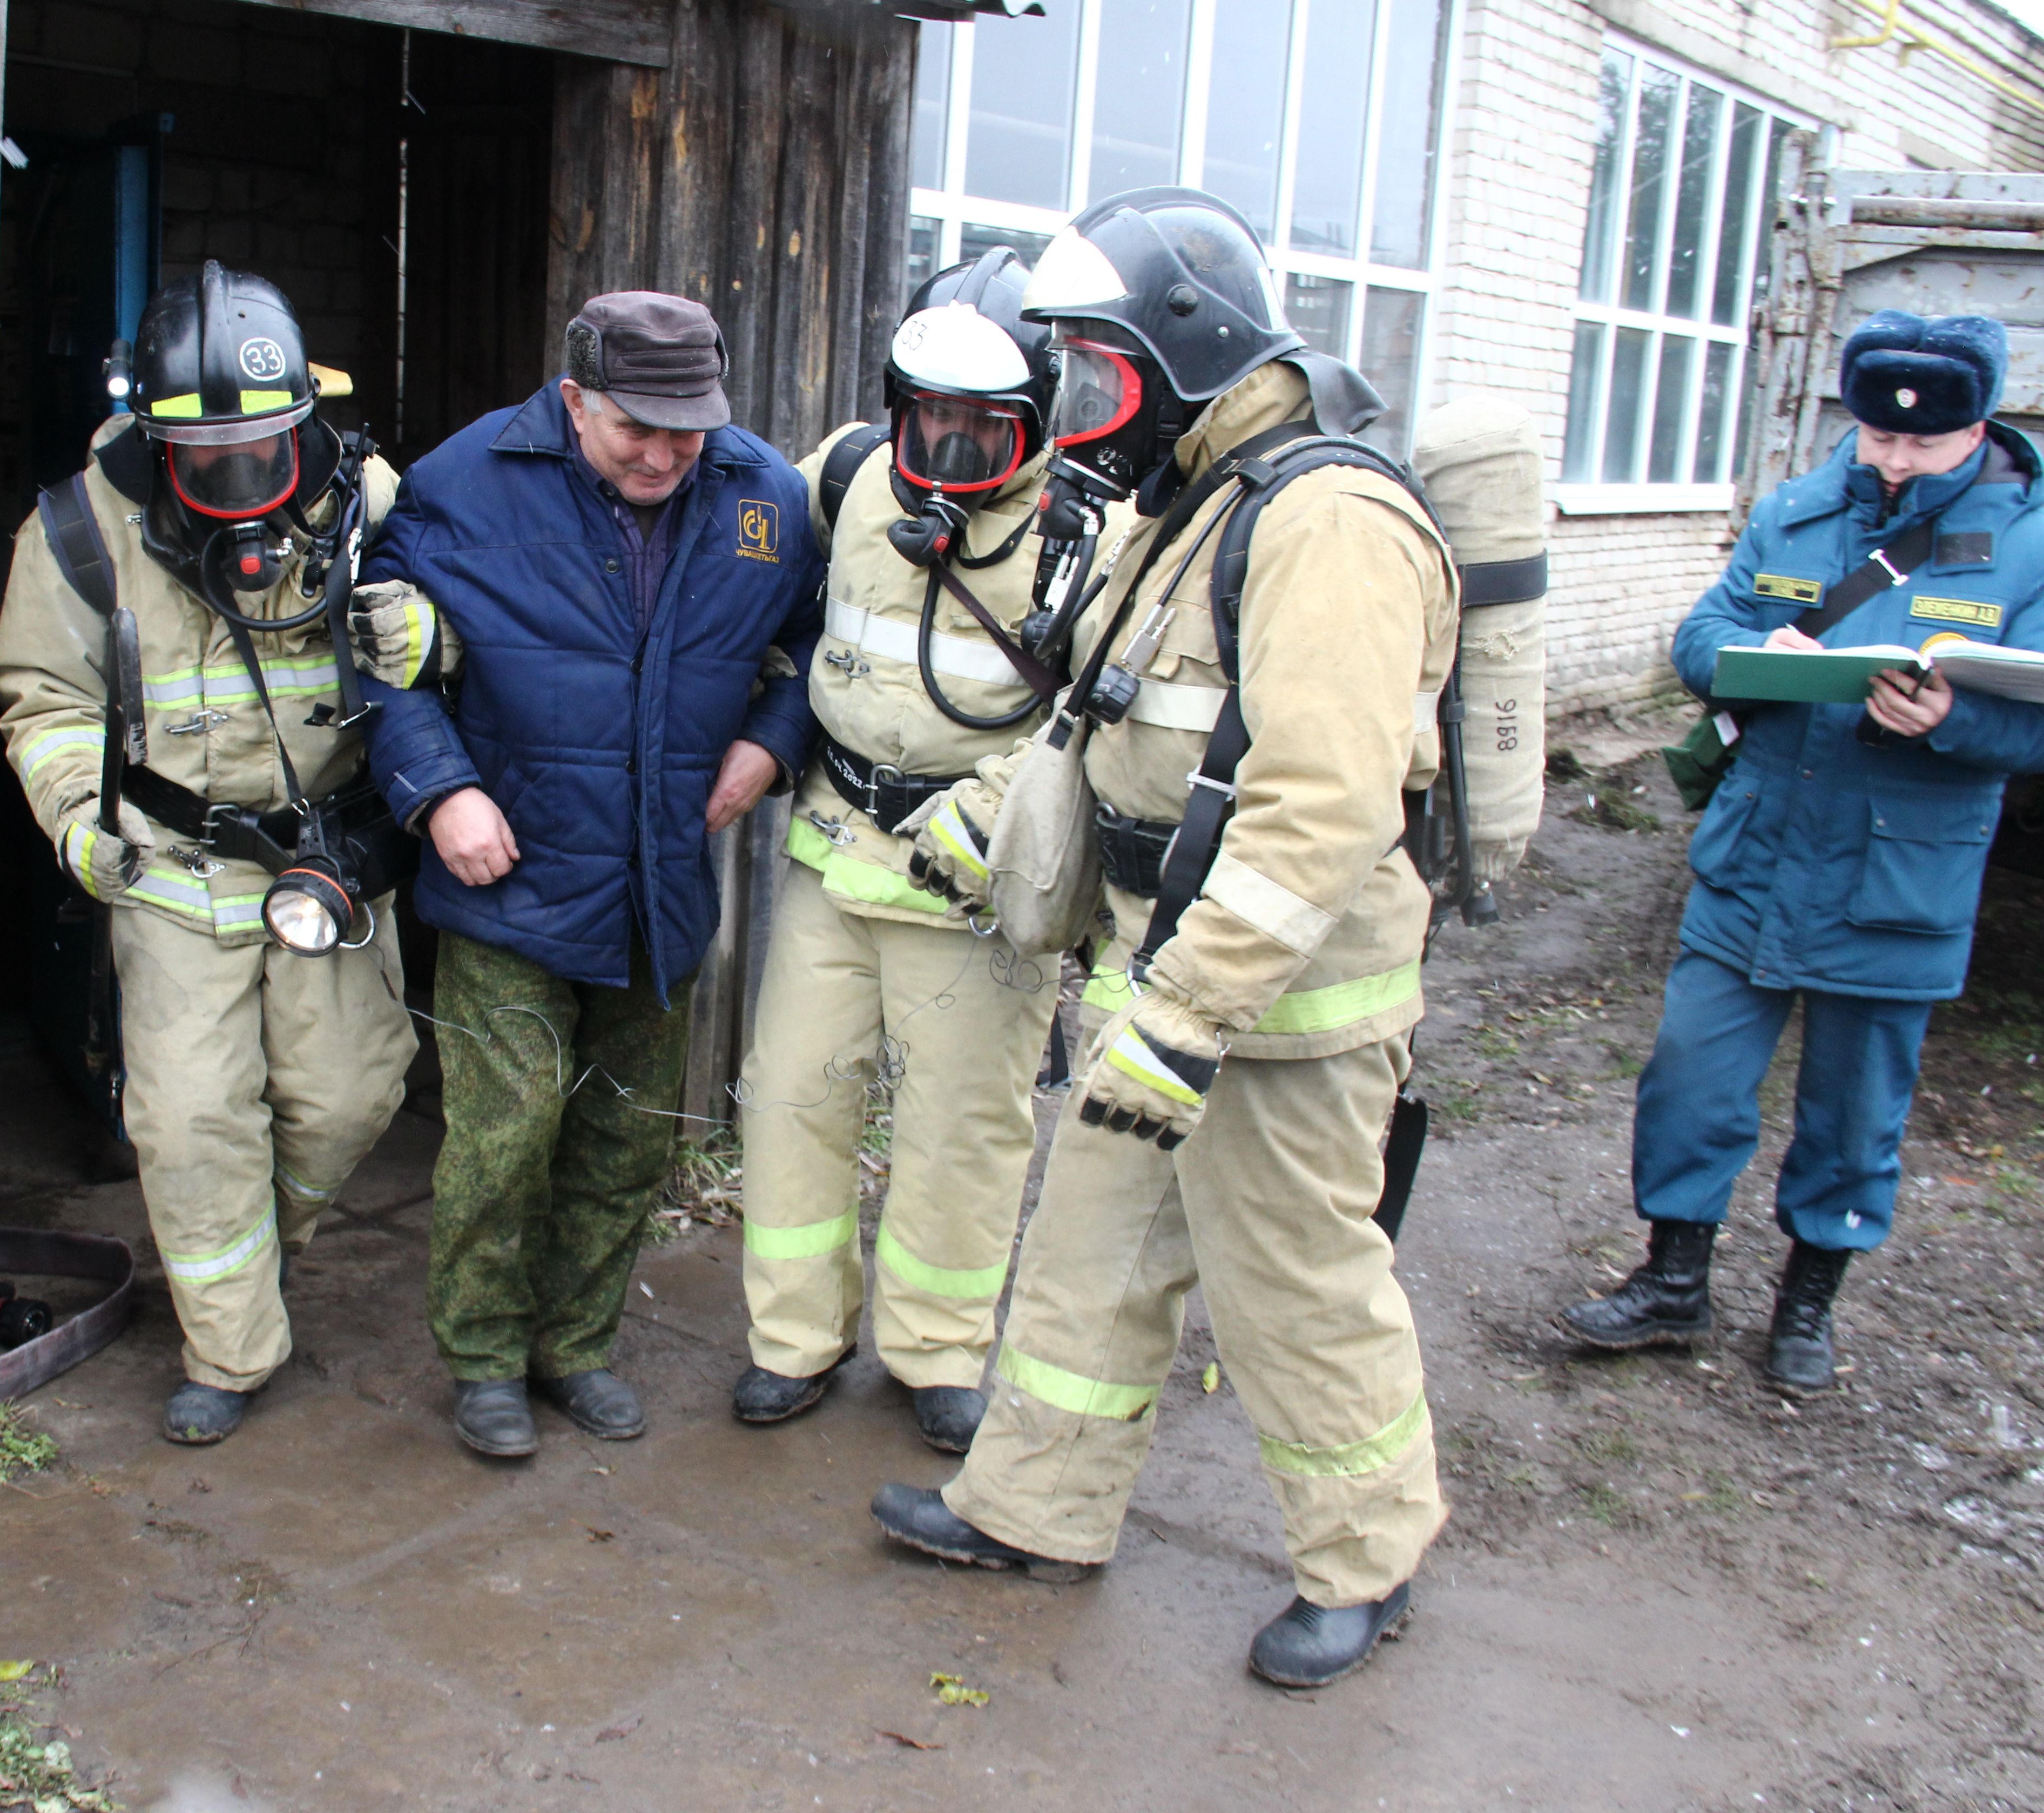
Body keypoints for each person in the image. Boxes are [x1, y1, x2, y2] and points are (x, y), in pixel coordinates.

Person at [869, 189, 1459, 1690]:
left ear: (1187, 357)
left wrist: (1188, 1014)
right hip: (1160, 971)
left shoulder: (1326, 521)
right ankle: (1030, 1512)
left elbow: (1317, 804)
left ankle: (1369, 1557)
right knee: (1089, 1255)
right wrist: (996, 818)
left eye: (1096, 378)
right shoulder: (1188, 498)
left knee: (1296, 1283)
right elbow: (1099, 715)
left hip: (1278, 1006)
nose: (1075, 416)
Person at [354, 291, 822, 1459]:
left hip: (661, 882)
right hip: (509, 868)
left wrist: (773, 737)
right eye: (636, 430)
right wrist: (439, 789)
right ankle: (481, 1357)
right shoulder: (463, 484)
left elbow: (819, 640)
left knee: (621, 1138)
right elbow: (373, 651)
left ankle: (573, 1346)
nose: (666, 454)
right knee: (504, 1133)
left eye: (688, 430)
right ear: (574, 402)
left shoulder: (762, 495)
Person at [1560, 310, 2044, 1394]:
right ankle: (1671, 1283)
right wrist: (1745, 656)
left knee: (1854, 1109)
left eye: (1923, 440)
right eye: (1876, 433)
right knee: (1689, 1075)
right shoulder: (1796, 510)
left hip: (1899, 876)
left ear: (1978, 424)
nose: (1893, 455)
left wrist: (1951, 721)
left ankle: (1804, 1304)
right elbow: (1695, 638)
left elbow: (2034, 724)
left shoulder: (2029, 538)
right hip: (1757, 856)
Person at [0, 261, 417, 1446]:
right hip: (174, 871)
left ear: (308, 425)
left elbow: (477, 630)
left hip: (329, 869)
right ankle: (229, 1346)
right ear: (154, 442)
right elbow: (45, 695)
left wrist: (432, 632)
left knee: (340, 1099)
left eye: (265, 455)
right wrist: (81, 815)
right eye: (210, 461)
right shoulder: (82, 528)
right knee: (188, 1124)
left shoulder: (366, 499)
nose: (241, 485)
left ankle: (249, 1258)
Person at [732, 252, 1123, 1455]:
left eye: (980, 426)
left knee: (962, 1127)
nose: (946, 444)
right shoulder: (847, 474)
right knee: (791, 1102)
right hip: (832, 861)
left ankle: (937, 1350)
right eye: (929, 417)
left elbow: (1101, 718)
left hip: (970, 889)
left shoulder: (1090, 533)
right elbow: (739, 564)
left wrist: (997, 807)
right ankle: (791, 1339)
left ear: (1038, 418)